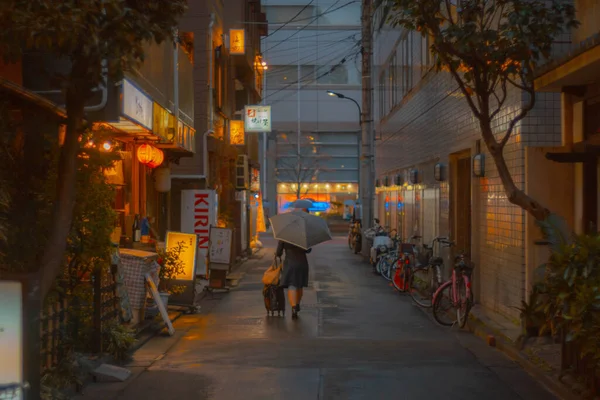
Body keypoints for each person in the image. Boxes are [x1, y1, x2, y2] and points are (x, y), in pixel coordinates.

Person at [275, 208, 312, 319]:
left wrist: (279, 254)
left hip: (290, 263)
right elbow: (308, 250)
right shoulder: (303, 233)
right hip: (302, 262)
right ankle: (298, 304)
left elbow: (278, 252)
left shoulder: (285, 234)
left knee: (292, 285)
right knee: (299, 284)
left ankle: (294, 307)